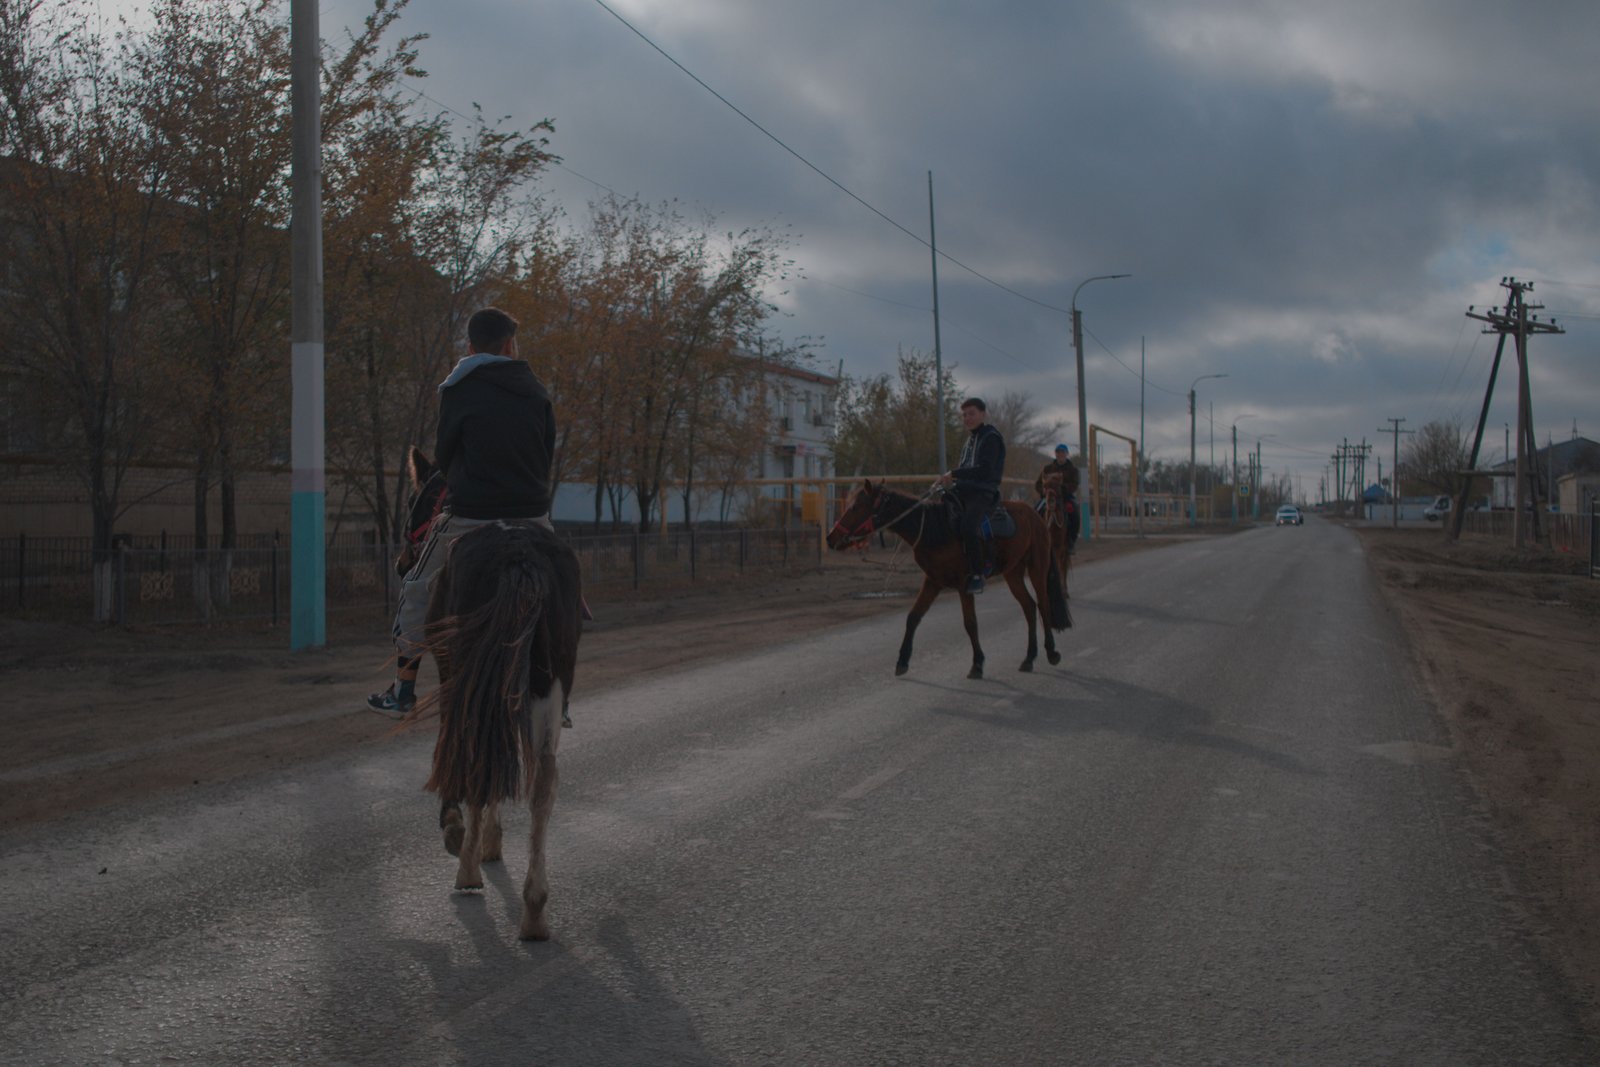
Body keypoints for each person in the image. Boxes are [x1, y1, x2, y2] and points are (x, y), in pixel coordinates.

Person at [368, 307, 557, 718]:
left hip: (471, 514)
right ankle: (552, 693)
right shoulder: (537, 390)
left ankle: (403, 690)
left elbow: (448, 459)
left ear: (470, 347)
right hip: (532, 515)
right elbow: (546, 456)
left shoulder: (457, 390)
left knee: (416, 587)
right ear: (511, 347)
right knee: (563, 588)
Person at [938, 397, 1006, 594]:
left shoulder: (991, 437)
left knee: (968, 527)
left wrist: (955, 474)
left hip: (983, 492)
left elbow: (984, 470)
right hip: (965, 490)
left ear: (982, 415)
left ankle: (978, 573)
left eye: (971, 414)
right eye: (964, 415)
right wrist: (948, 482)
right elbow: (965, 468)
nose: (967, 418)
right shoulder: (970, 440)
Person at [1035, 443, 1081, 550]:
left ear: (1066, 454)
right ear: (1055, 454)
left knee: (1075, 513)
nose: (1060, 454)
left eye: (1062, 452)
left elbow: (1074, 485)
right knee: (1035, 510)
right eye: (1058, 452)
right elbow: (1038, 484)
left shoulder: (1073, 470)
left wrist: (1062, 489)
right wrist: (1043, 491)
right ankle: (1035, 539)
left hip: (1065, 497)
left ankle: (1070, 541)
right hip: (1048, 497)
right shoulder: (1047, 468)